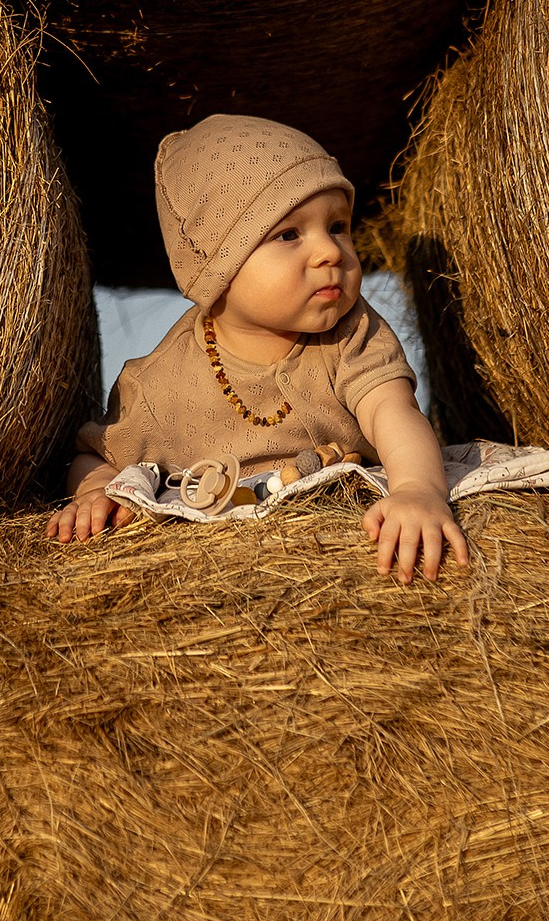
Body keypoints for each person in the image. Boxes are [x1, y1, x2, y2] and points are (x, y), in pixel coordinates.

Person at [48, 114, 470, 582]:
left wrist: (417, 489)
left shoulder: (351, 331)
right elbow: (98, 452)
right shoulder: (159, 384)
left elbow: (391, 411)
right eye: (289, 234)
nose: (330, 252)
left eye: (337, 226)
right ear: (216, 270)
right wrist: (95, 490)